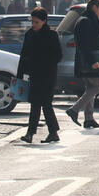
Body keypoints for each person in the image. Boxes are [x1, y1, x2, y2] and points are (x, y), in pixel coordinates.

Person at [17, 7, 63, 143]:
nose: (34, 25)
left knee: (46, 103)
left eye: (36, 22)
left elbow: (58, 56)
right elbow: (23, 55)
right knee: (35, 103)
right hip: (34, 75)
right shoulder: (29, 34)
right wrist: (20, 74)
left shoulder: (51, 35)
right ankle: (31, 133)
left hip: (48, 75)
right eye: (32, 22)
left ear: (44, 21)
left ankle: (52, 132)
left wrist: (45, 63)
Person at [65, 0, 99, 129]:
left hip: (87, 60)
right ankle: (74, 110)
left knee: (90, 88)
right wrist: (93, 61)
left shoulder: (87, 20)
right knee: (97, 87)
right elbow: (84, 45)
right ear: (94, 7)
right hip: (89, 61)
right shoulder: (86, 21)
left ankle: (89, 119)